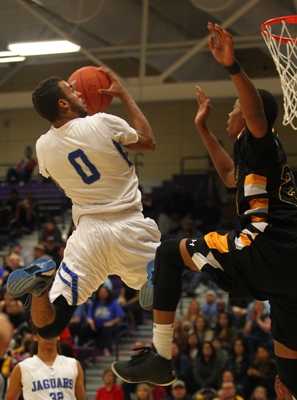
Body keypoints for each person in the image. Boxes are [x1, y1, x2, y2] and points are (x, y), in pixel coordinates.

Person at [111, 22, 297, 398]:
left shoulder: (260, 139)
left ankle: (161, 357)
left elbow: (256, 111)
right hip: (290, 273)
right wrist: (202, 128)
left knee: (168, 253)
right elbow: (229, 175)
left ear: (245, 116)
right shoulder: (257, 160)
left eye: (234, 110)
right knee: (289, 376)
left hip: (266, 248)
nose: (230, 115)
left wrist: (232, 67)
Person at [7, 67, 160, 342]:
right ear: (63, 103)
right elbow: (148, 142)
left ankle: (40, 289)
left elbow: (59, 181)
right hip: (128, 223)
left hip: (87, 233)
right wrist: (124, 95)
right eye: (71, 89)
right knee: (163, 286)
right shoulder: (101, 122)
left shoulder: (42, 146)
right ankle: (153, 279)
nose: (78, 91)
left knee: (49, 329)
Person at [4, 329, 86, 400]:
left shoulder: (74, 364)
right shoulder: (22, 368)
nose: (49, 335)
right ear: (35, 336)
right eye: (44, 331)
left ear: (58, 335)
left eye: (52, 331)